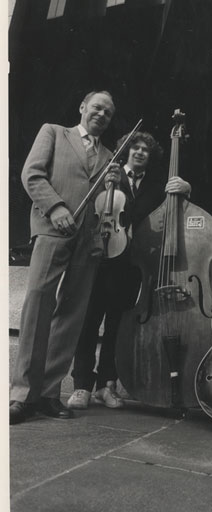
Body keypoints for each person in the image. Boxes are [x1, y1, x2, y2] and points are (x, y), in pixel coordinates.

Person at [10, 90, 121, 425]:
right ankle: (22, 394)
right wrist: (56, 207)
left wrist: (113, 185)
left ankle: (48, 393)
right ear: (83, 107)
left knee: (71, 315)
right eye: (97, 107)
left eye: (108, 113)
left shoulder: (110, 156)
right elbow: (32, 174)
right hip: (52, 229)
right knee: (38, 305)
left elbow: (107, 205)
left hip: (88, 241)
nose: (102, 115)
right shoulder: (54, 133)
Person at [67, 131, 191, 410]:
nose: (139, 152)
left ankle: (106, 385)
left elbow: (174, 210)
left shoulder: (156, 187)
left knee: (117, 325)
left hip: (132, 265)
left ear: (150, 156)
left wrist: (186, 189)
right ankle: (82, 385)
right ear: (126, 151)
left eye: (145, 149)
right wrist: (106, 186)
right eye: (135, 147)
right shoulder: (109, 174)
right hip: (101, 258)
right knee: (89, 322)